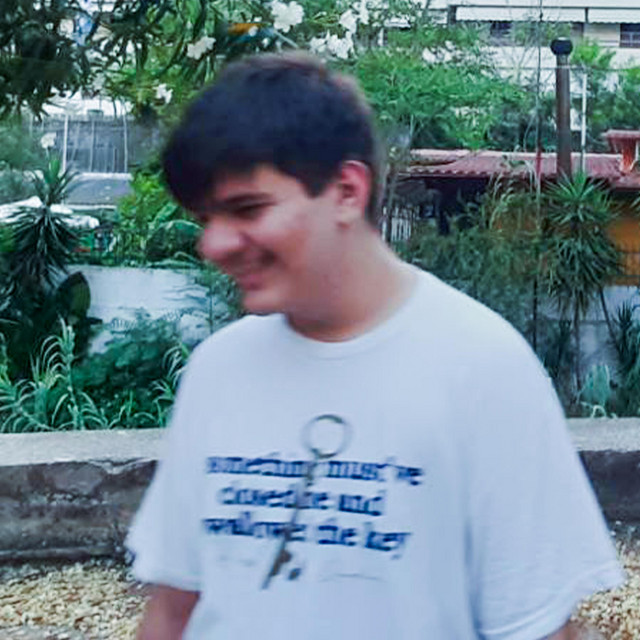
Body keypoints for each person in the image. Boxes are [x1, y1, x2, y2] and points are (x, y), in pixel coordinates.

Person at [127, 52, 623, 640]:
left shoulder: (484, 368)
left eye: (247, 209)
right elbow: (172, 610)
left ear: (346, 190)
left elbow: (537, 629)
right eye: (206, 218)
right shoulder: (218, 369)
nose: (214, 245)